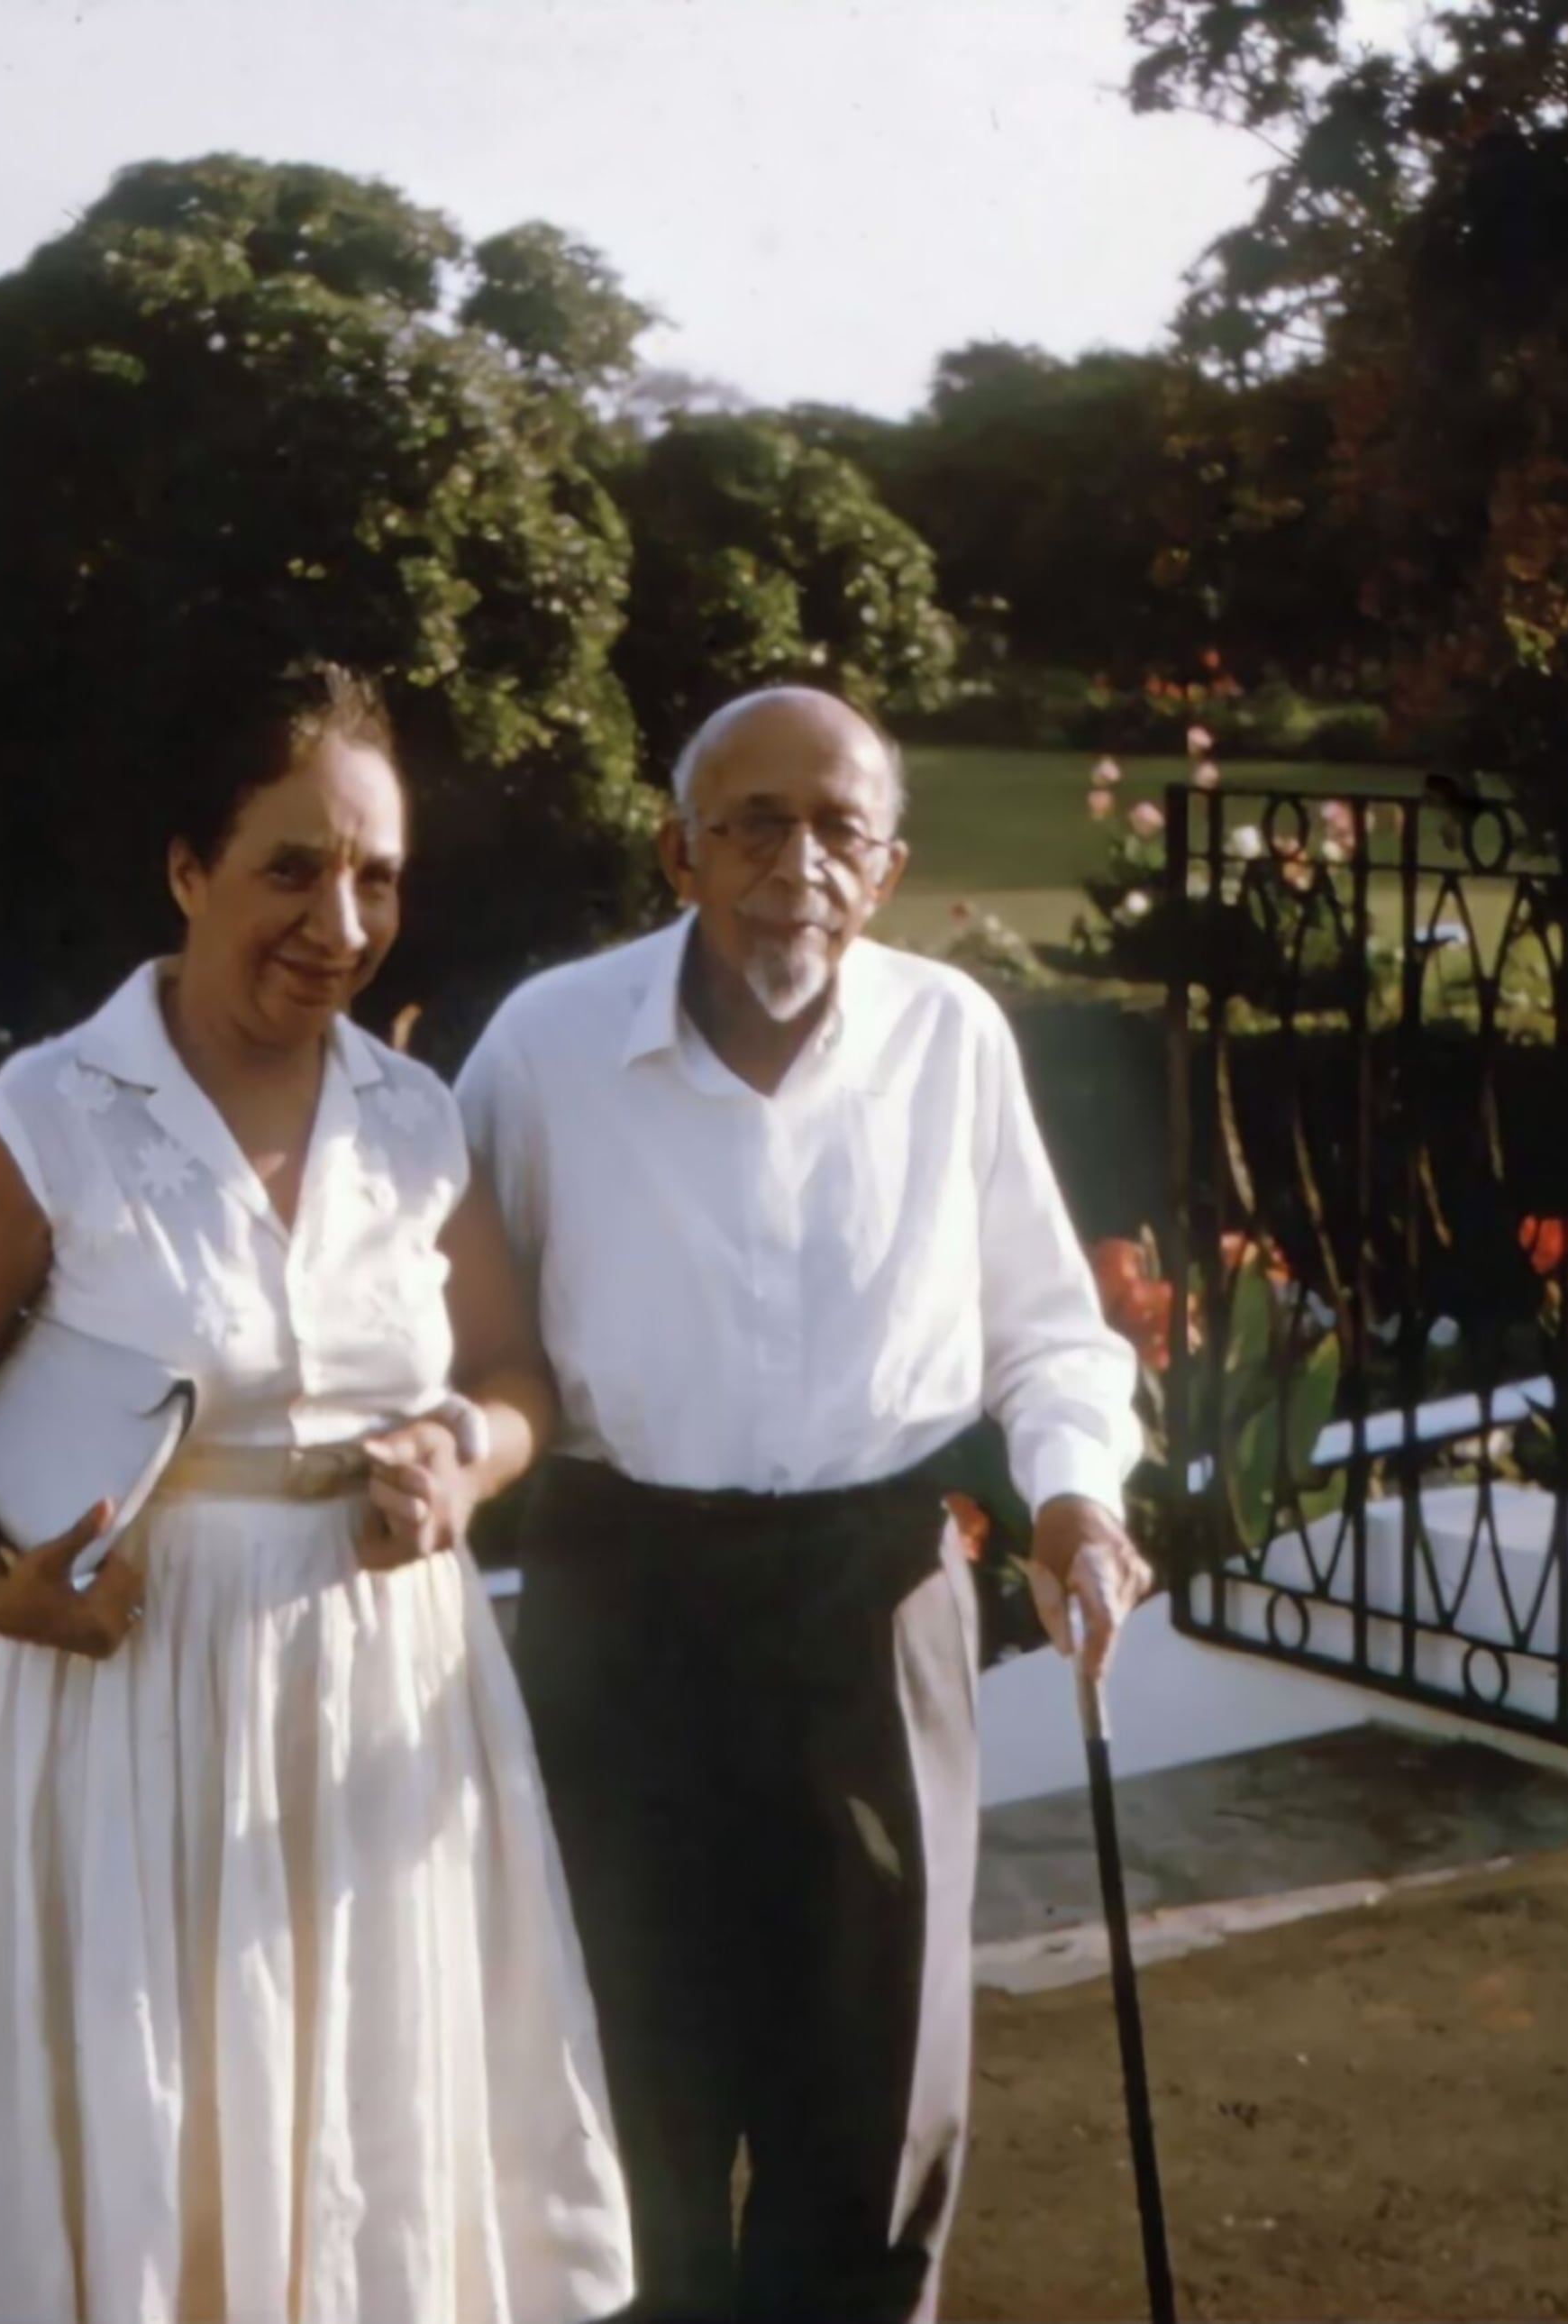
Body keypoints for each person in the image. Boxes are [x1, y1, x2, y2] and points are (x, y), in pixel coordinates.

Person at [0, 663, 634, 2324]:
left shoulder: (414, 1120)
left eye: (377, 878)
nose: (339, 924)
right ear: (187, 869)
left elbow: (514, 1377)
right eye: (292, 868)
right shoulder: (55, 1117)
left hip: (377, 1684)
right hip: (124, 1692)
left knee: (361, 2119)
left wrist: (463, 1464)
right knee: (151, 2119)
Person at [454, 685, 1156, 2324]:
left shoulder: (951, 1039)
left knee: (875, 2096)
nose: (799, 866)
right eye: (754, 825)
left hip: (873, 1597)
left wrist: (1073, 1500)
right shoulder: (548, 1047)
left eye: (840, 830)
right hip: (624, 1599)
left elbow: (1047, 1331)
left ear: (890, 867)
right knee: (623, 2083)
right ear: (678, 852)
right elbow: (443, 1312)